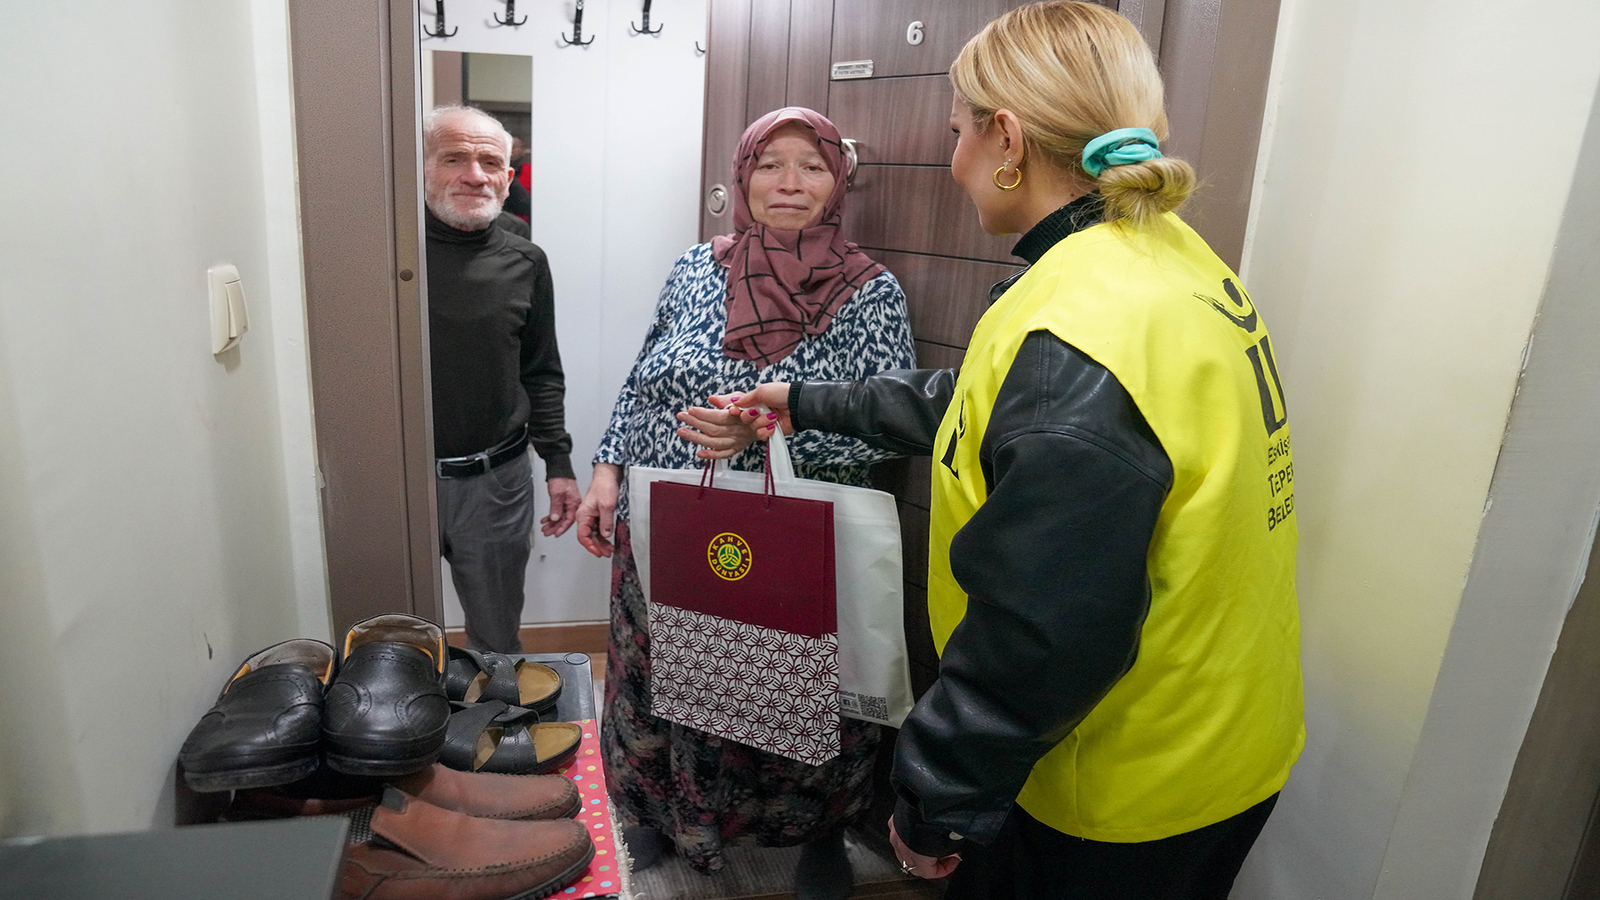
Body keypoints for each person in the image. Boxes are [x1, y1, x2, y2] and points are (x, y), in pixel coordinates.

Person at [712, 4, 1305, 898]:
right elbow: (985, 408)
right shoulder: (1164, 259)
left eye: (958, 133)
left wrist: (937, 801)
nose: (954, 163)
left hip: (1121, 779)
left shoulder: (1079, 327)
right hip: (1227, 731)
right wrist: (804, 400)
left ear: (1008, 141)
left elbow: (1041, 630)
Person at [574, 107, 915, 898]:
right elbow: (645, 376)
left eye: (811, 166)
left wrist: (760, 432)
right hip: (665, 518)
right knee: (661, 685)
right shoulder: (697, 267)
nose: (789, 182)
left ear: (839, 181)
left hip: (782, 533)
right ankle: (660, 813)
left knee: (791, 698)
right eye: (770, 164)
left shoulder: (869, 290)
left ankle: (820, 836)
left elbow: (884, 427)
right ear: (742, 177)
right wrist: (606, 470)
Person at [423, 105, 580, 654]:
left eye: (490, 162)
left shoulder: (526, 260)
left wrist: (558, 464)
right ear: (422, 167)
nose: (475, 175)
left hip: (495, 482)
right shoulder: (385, 255)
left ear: (508, 179)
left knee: (496, 642)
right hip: (397, 483)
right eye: (454, 159)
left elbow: (541, 370)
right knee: (391, 642)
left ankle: (495, 709)